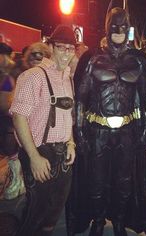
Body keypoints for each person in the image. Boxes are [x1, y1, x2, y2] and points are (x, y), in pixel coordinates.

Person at [67, 2, 146, 236]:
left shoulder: (137, 61)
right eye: (114, 26)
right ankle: (97, 220)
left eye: (122, 26)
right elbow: (80, 99)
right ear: (107, 28)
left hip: (126, 130)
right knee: (96, 180)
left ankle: (119, 220)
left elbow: (143, 101)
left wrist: (144, 131)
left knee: (124, 181)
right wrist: (80, 132)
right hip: (97, 131)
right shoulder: (92, 59)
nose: (118, 30)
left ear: (128, 29)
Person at [10, 24, 77, 236]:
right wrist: (34, 157)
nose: (66, 53)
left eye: (70, 48)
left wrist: (71, 142)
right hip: (40, 152)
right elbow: (19, 117)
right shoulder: (33, 76)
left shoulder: (67, 78)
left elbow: (68, 116)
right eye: (61, 47)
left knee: (54, 211)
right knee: (36, 213)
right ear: (51, 47)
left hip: (62, 155)